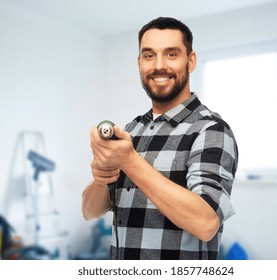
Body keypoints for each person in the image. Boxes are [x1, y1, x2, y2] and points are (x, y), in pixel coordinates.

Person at [82, 17, 238, 260]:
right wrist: (103, 174)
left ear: (191, 61)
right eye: (149, 55)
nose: (159, 65)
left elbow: (206, 223)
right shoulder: (131, 130)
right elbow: (90, 211)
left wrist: (129, 160)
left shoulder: (210, 129)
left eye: (172, 54)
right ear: (139, 63)